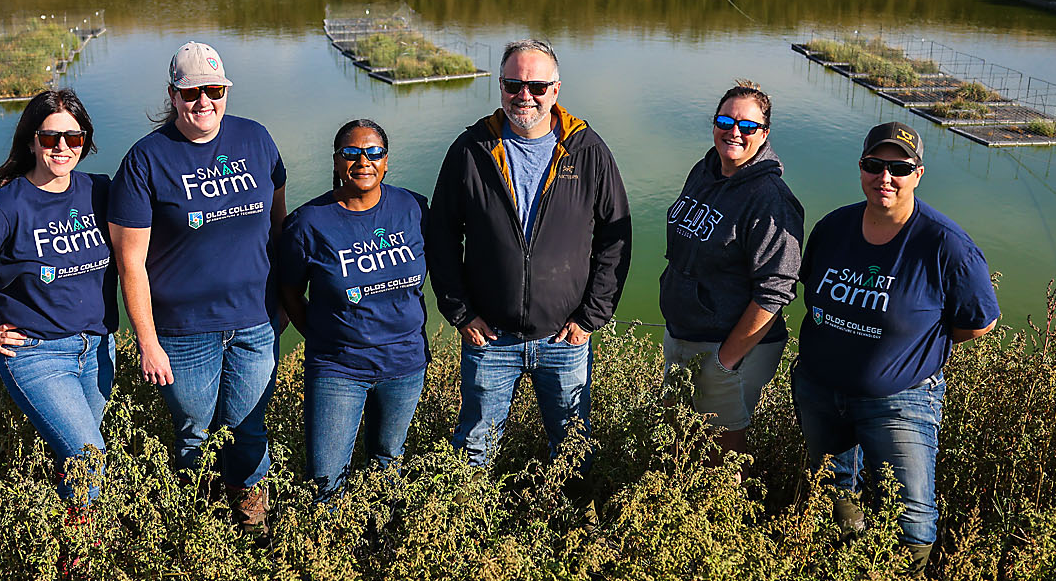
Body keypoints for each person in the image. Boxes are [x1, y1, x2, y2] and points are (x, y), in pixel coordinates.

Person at [794, 121, 999, 574]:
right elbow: (813, 293)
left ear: (918, 174)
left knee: (912, 516)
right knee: (833, 487)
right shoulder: (833, 228)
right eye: (874, 165)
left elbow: (980, 321)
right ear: (861, 168)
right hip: (819, 389)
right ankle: (842, 573)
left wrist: (913, 348)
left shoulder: (945, 245)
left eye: (899, 168)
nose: (885, 177)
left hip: (899, 401)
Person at [428, 38, 632, 468]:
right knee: (476, 446)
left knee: (574, 445)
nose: (525, 96)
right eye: (513, 84)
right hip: (489, 338)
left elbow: (616, 240)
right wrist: (460, 313)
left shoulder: (588, 150)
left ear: (555, 90)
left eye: (537, 86)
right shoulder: (471, 150)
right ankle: (466, 525)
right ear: (500, 87)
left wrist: (591, 318)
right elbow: (441, 236)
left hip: (563, 337)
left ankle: (578, 527)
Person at [108, 41, 286, 534]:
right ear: (173, 94)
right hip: (183, 333)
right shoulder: (146, 160)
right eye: (191, 92)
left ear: (225, 90)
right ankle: (203, 521)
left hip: (255, 321)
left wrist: (286, 304)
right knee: (193, 433)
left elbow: (279, 231)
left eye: (214, 90)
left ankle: (251, 518)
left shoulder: (256, 140)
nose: (203, 101)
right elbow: (131, 264)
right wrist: (147, 341)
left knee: (248, 426)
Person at [0, 88, 117, 501]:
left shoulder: (99, 191)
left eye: (74, 137)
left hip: (98, 347)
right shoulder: (3, 208)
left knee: (79, 459)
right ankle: (82, 554)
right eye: (50, 138)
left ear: (86, 140)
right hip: (38, 355)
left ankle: (68, 541)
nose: (62, 147)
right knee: (90, 456)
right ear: (32, 140)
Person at [277, 119, 429, 502]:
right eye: (352, 152)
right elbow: (290, 291)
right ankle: (327, 551)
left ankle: (379, 546)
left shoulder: (413, 207)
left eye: (374, 152)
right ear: (336, 160)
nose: (364, 160)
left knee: (388, 463)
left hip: (405, 364)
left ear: (387, 161)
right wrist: (325, 337)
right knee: (326, 480)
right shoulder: (309, 223)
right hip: (338, 369)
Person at [659, 81, 803, 466]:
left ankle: (724, 520)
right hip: (685, 336)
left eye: (748, 126)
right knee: (677, 440)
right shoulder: (706, 169)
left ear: (765, 133)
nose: (734, 131)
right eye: (725, 120)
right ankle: (679, 513)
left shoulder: (771, 199)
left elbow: (776, 290)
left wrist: (725, 360)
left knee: (720, 455)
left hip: (730, 349)